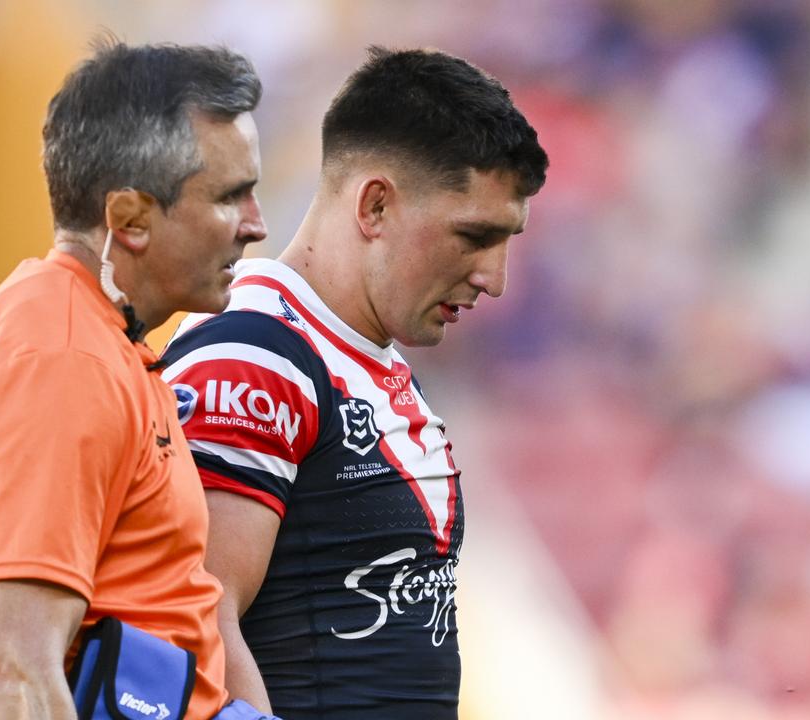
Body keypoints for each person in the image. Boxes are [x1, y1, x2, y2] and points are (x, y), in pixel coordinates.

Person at [160, 47, 548, 719]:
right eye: (473, 236)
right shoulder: (255, 358)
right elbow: (191, 620)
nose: (495, 279)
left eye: (506, 240)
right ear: (374, 206)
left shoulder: (363, 359)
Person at [0, 41, 272, 720]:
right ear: (128, 219)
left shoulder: (97, 335)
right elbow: (15, 673)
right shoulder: (63, 356)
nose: (256, 224)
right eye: (230, 196)